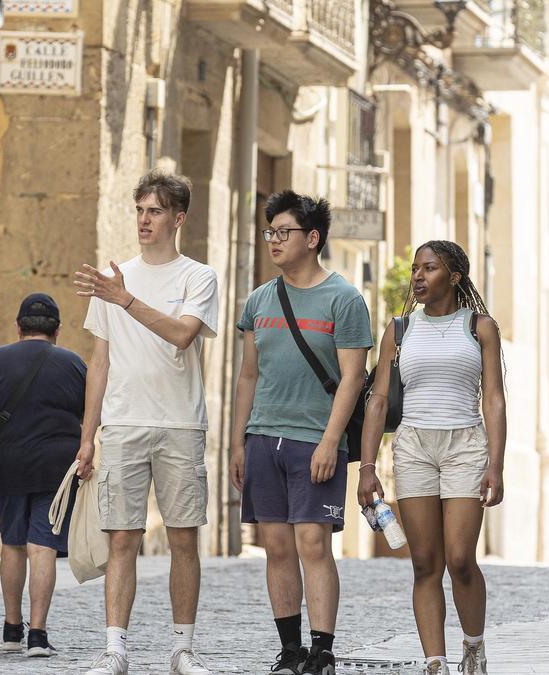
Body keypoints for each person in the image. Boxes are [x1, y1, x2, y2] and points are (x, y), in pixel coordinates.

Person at [72, 170, 220, 675]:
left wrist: (126, 300)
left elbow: (182, 334)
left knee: (184, 539)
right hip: (122, 423)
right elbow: (99, 361)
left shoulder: (197, 276)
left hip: (180, 423)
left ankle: (183, 649)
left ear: (178, 219)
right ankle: (115, 649)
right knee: (121, 538)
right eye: (139, 210)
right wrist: (87, 437)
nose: (144, 219)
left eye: (155, 211)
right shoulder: (114, 278)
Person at [228, 191, 372, 675]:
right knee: (276, 546)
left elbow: (352, 377)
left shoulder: (344, 299)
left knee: (313, 543)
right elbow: (248, 375)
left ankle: (322, 651)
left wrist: (331, 441)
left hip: (315, 439)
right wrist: (238, 442)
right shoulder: (259, 300)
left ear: (312, 239)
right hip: (263, 437)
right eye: (270, 231)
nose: (273, 239)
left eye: (283, 231)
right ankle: (290, 652)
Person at [357, 241, 506, 675]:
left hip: (465, 446)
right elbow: (378, 400)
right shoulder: (400, 329)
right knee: (424, 562)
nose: (418, 277)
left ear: (454, 277)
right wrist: (367, 467)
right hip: (414, 448)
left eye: (429, 268)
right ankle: (435, 661)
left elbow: (494, 399)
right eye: (415, 269)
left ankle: (473, 646)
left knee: (459, 559)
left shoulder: (479, 327)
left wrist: (495, 464)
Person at [0, 292, 87, 658]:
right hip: (56, 469)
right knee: (43, 546)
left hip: (8, 465)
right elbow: (90, 415)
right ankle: (37, 635)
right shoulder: (74, 364)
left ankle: (11, 629)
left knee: (13, 544)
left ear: (18, 327)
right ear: (57, 330)